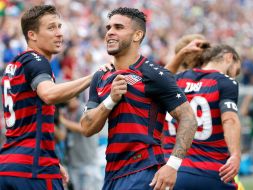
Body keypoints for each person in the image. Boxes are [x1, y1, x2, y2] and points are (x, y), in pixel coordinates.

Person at [80, 7, 198, 190]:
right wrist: (111, 100)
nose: (110, 32)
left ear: (137, 35)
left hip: (144, 170)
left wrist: (173, 165)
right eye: (108, 27)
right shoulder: (100, 77)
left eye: (118, 27)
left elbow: (188, 118)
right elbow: (87, 128)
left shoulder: (154, 73)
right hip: (112, 173)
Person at [0, 5, 92, 190]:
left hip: (8, 165)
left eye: (59, 26)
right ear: (32, 34)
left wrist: (54, 161)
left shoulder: (15, 64)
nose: (59, 33)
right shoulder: (37, 60)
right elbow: (48, 94)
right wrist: (93, 77)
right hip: (33, 169)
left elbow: (27, 123)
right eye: (51, 28)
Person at [163, 44, 242, 189]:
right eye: (235, 70)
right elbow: (229, 119)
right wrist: (235, 155)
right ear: (229, 57)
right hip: (211, 173)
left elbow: (158, 80)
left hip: (169, 171)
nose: (233, 75)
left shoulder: (177, 79)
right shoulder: (225, 82)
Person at [59, 96, 102, 190]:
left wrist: (63, 121)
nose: (67, 101)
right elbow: (61, 136)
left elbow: (83, 128)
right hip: (74, 163)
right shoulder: (64, 112)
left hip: (89, 162)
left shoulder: (86, 109)